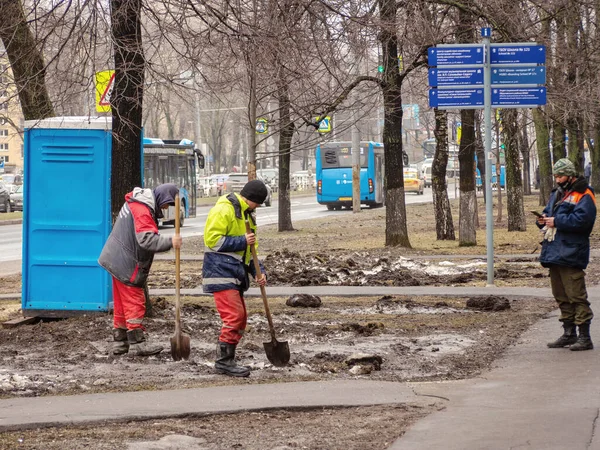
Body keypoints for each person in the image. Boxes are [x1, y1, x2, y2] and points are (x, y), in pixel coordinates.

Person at [99, 183, 183, 356]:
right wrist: (170, 242)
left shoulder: (137, 202)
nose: (166, 208)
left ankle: (120, 342)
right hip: (127, 261)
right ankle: (137, 343)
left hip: (116, 258)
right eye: (167, 204)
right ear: (162, 197)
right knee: (134, 301)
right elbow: (146, 239)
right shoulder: (142, 209)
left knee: (122, 305)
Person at [202, 180, 268, 377]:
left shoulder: (247, 215)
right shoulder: (224, 210)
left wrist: (258, 271)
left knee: (241, 319)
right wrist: (241, 240)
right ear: (251, 200)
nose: (258, 207)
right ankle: (223, 362)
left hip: (234, 273)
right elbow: (212, 240)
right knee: (234, 317)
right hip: (220, 272)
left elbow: (251, 250)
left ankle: (228, 358)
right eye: (258, 203)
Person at [537, 158, 596, 351]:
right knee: (561, 295)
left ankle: (585, 337)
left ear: (570, 175)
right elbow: (548, 212)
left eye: (560, 175)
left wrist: (557, 221)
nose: (557, 179)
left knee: (576, 295)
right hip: (554, 250)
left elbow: (583, 221)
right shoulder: (557, 193)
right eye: (555, 176)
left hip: (571, 251)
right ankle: (569, 333)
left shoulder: (584, 195)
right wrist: (543, 220)